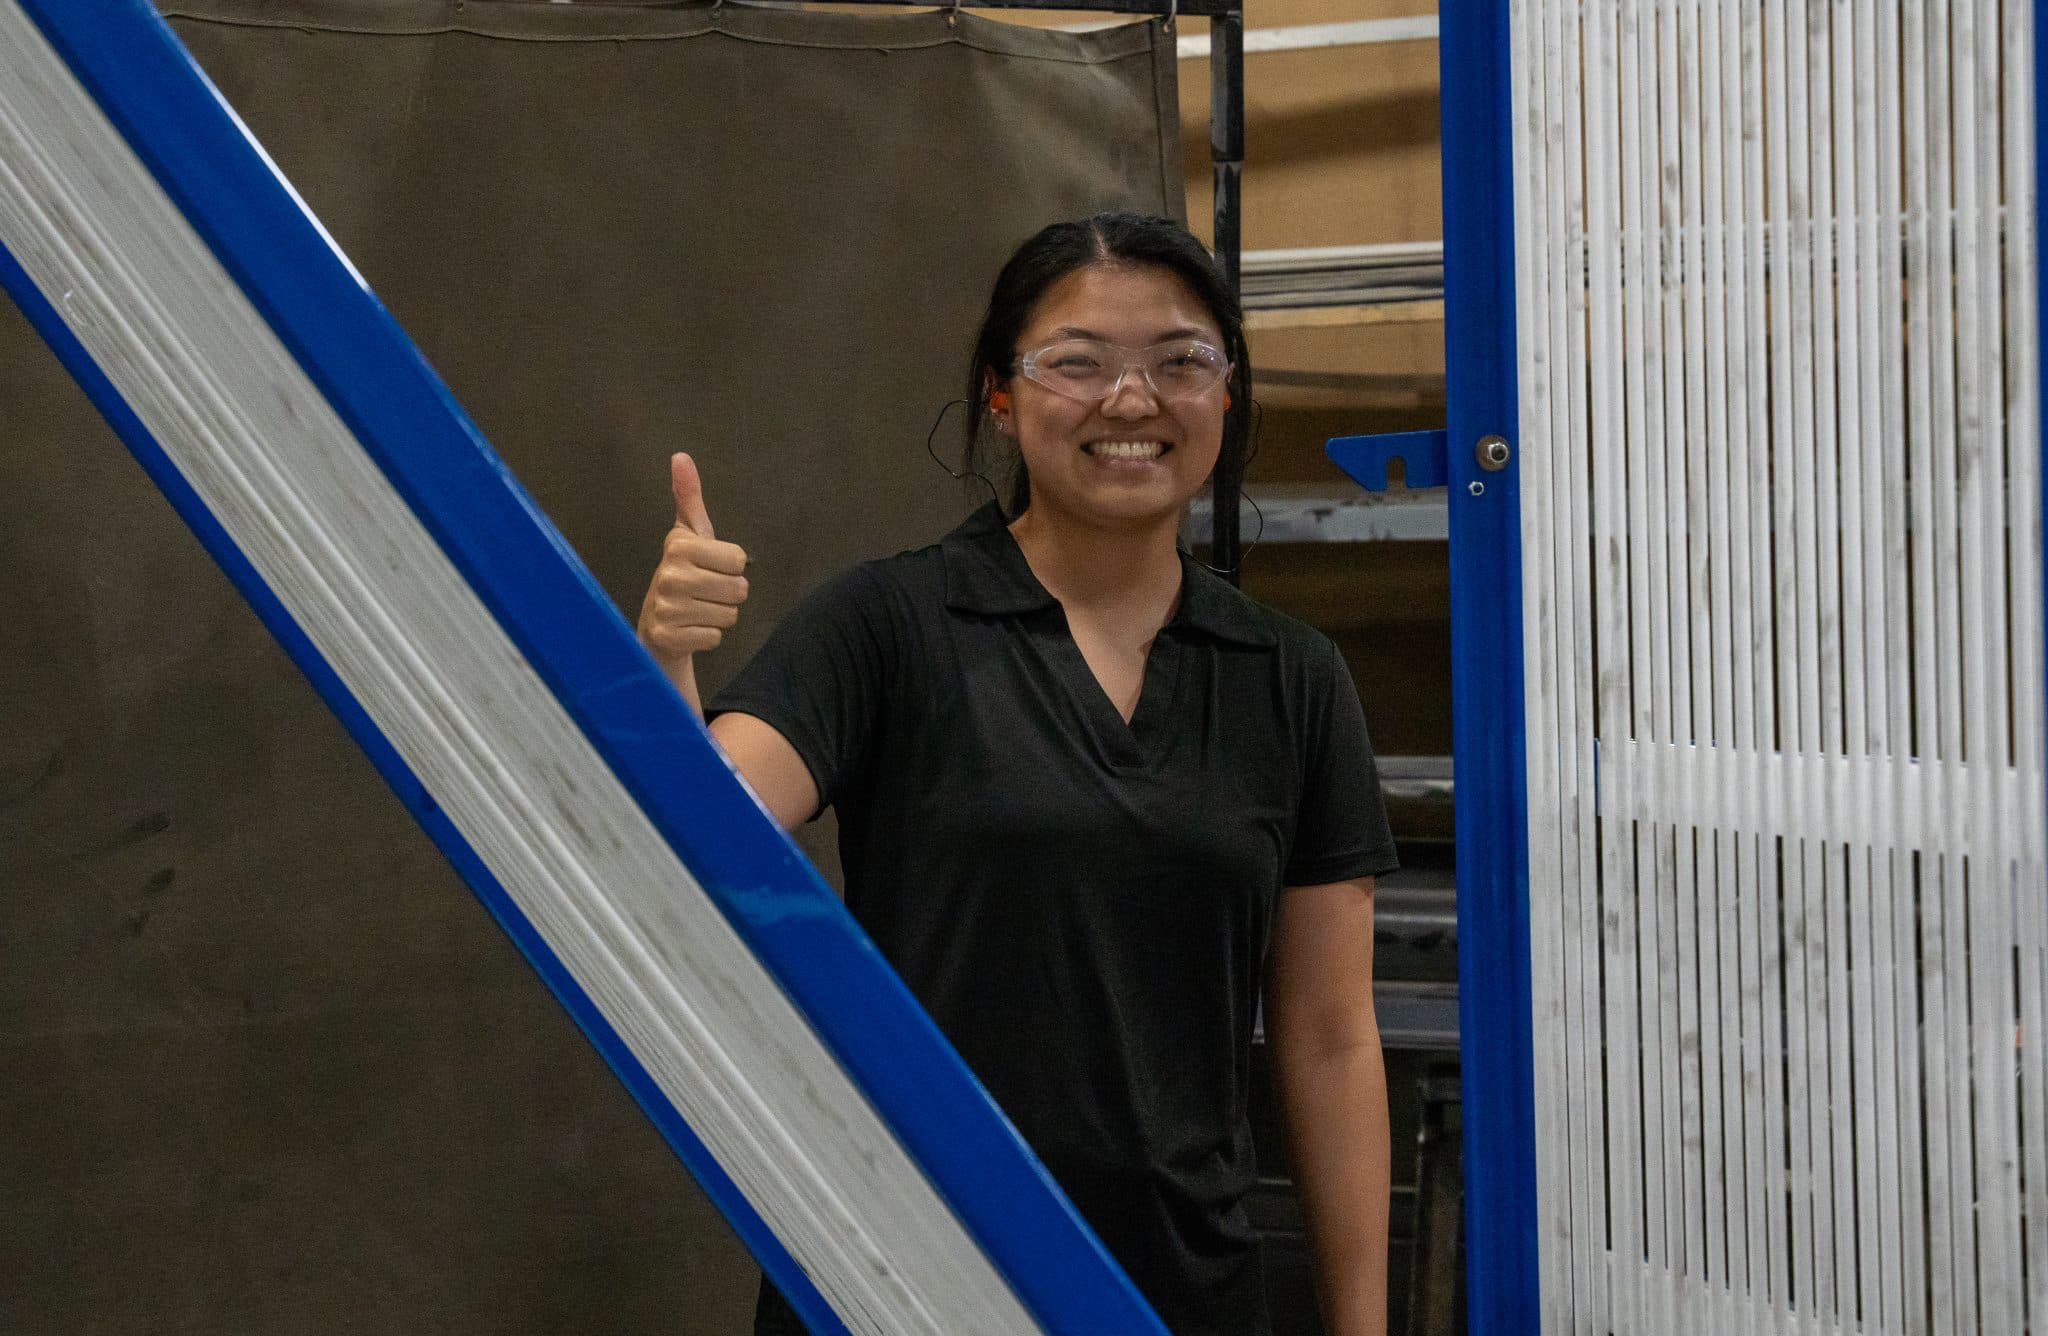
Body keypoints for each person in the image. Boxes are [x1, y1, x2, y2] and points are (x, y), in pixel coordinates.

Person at [636, 213, 1397, 1336]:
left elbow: (1330, 1037)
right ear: (1001, 393)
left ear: (1224, 395)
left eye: (1179, 361)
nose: (1130, 401)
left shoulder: (1289, 678)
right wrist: (667, 656)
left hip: (1177, 1289)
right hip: (893, 1272)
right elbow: (696, 842)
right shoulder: (888, 623)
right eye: (1078, 362)